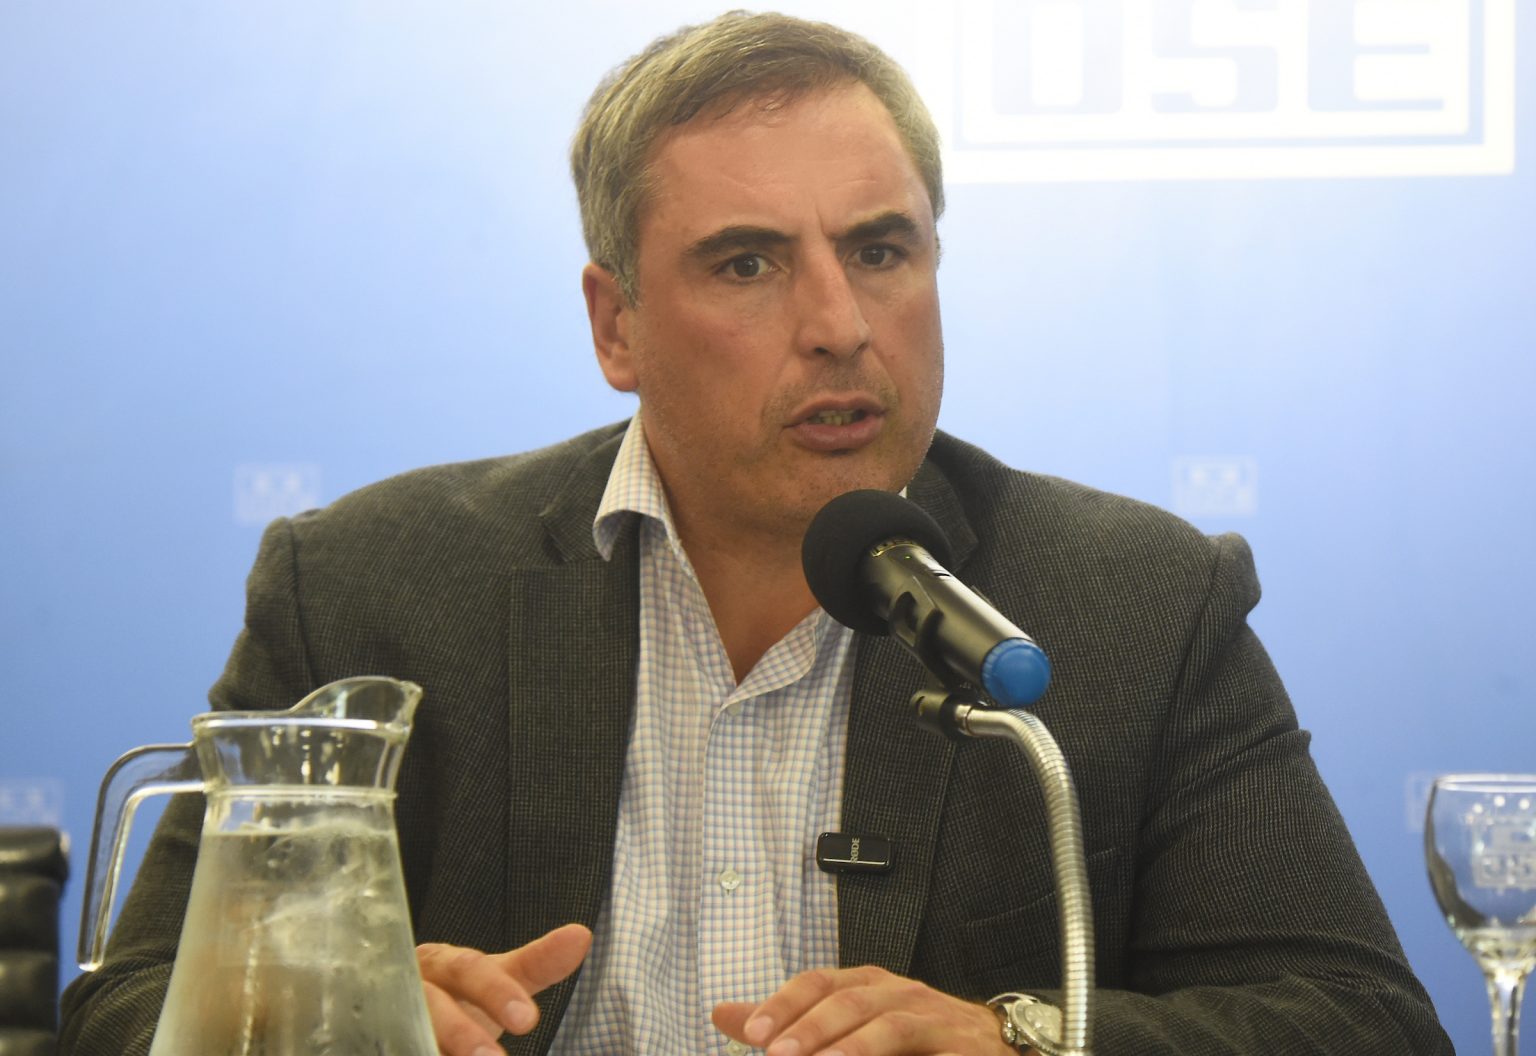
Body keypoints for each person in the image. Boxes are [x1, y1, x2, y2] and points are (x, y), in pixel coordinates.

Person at [61, 11, 1452, 1056]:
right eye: (748, 263)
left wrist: (1019, 1039)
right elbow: (131, 1008)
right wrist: (329, 1023)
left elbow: (1360, 1021)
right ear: (616, 324)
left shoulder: (1129, 599)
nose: (841, 324)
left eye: (882, 250)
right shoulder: (372, 587)